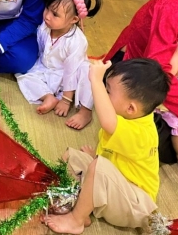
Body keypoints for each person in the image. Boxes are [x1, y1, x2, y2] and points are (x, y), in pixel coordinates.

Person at [44, 59, 170, 234]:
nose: (102, 94)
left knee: (98, 167)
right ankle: (82, 207)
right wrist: (96, 156)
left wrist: (96, 81)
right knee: (71, 157)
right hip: (116, 185)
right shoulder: (128, 117)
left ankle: (76, 220)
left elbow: (108, 123)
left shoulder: (140, 133)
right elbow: (115, 151)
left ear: (131, 108)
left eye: (108, 91)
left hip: (136, 204)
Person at [104, 0, 178, 164]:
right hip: (137, 76)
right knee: (142, 142)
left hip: (161, 75)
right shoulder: (171, 7)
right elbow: (156, 77)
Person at [16, 0, 102, 130]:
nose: (47, 16)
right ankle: (48, 96)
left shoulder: (76, 41)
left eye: (55, 14)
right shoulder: (45, 25)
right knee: (22, 72)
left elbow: (70, 71)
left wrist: (66, 100)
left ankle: (85, 111)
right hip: (45, 68)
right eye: (47, 8)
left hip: (69, 77)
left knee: (89, 72)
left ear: (74, 19)